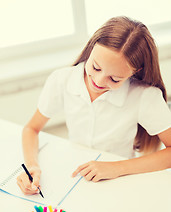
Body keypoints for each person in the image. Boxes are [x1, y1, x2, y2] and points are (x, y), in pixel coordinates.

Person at [17, 16, 171, 195]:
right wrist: (32, 166)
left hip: (122, 181)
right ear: (91, 49)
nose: (98, 82)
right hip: (75, 176)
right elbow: (31, 129)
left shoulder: (144, 96)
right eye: (96, 67)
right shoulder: (62, 80)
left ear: (134, 72)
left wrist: (115, 168)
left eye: (114, 79)